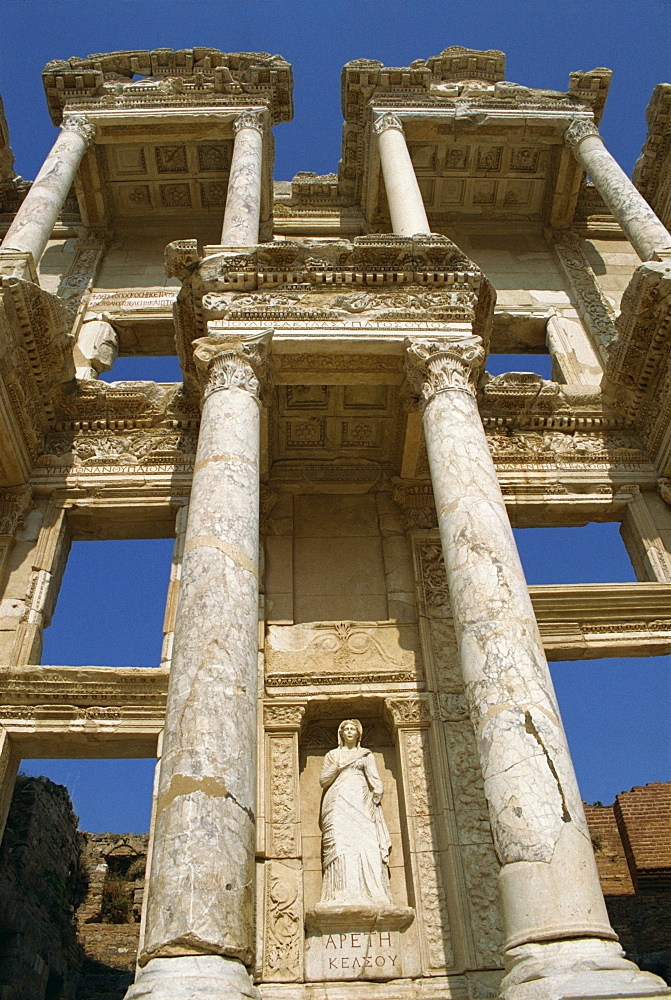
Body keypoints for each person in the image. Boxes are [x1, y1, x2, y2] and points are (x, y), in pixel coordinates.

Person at [319, 719, 392, 904]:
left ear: (359, 734)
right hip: (337, 800)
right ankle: (341, 892)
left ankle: (374, 892)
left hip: (360, 800)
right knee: (341, 843)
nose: (350, 732)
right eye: (347, 729)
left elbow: (375, 779)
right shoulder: (332, 755)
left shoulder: (365, 755)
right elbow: (323, 780)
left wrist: (377, 793)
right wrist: (338, 767)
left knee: (368, 842)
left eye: (353, 729)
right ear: (341, 733)